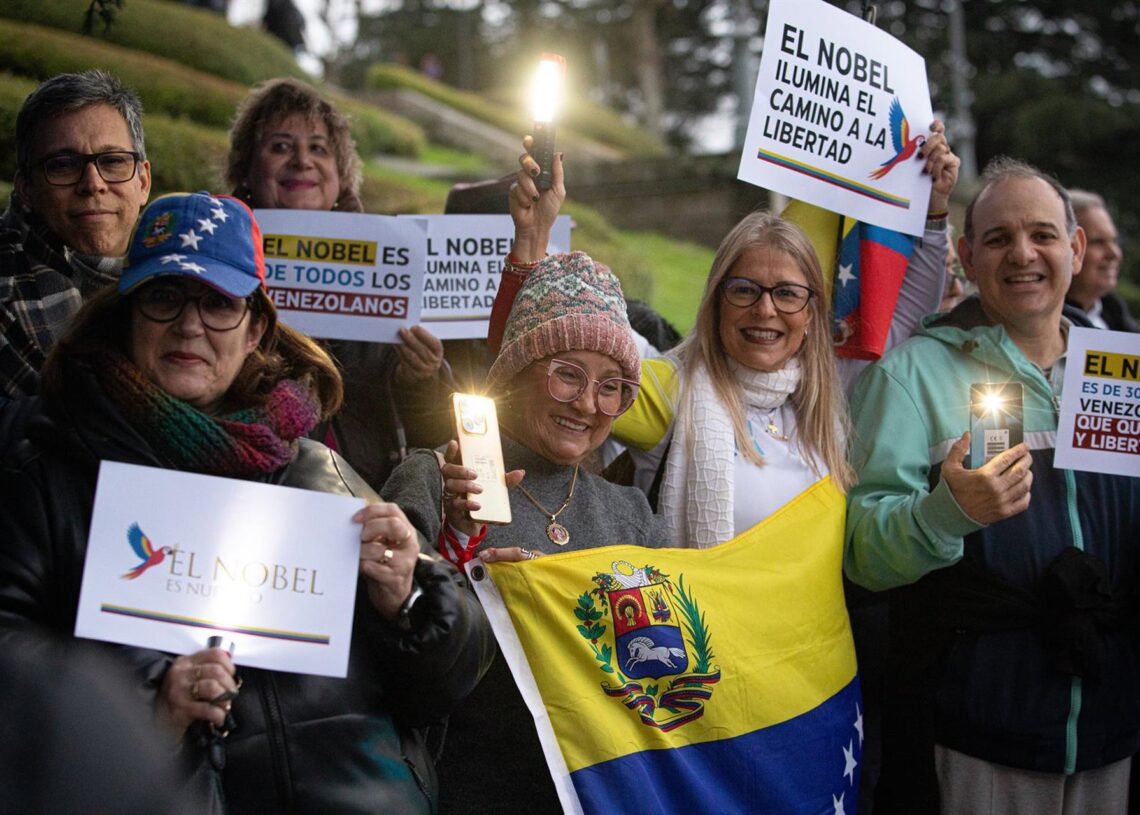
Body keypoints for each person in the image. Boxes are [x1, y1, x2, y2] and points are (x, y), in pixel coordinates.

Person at [0, 192, 494, 813]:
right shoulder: (51, 472)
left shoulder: (316, 469)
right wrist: (149, 706)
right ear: (127, 312)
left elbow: (453, 679)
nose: (189, 325)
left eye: (218, 303)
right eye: (164, 296)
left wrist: (407, 599)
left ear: (255, 327)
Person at [845, 157, 1140, 814]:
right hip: (977, 735)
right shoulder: (911, 376)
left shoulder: (1120, 367)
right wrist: (944, 514)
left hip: (1112, 727)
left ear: (1076, 248)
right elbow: (859, 553)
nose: (1023, 254)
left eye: (1042, 234)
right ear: (967, 257)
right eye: (1000, 238)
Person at [382, 152, 665, 813]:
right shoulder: (436, 476)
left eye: (612, 386)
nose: (588, 403)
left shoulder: (630, 514)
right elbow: (387, 651)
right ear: (516, 369)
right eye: (567, 373)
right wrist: (456, 564)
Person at [226, 77, 452, 489]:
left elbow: (436, 432)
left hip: (368, 498)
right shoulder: (218, 262)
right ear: (246, 169)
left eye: (318, 148)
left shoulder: (391, 270)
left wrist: (420, 379)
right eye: (280, 146)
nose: (302, 161)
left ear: (341, 174)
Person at [0, 69, 151, 399]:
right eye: (63, 165)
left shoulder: (177, 275)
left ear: (143, 182)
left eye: (112, 161)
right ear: (26, 188)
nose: (93, 184)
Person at [1064, 189, 1138, 332]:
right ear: (1072, 248)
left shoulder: (1116, 314)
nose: (1114, 253)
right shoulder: (1041, 327)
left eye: (1114, 241)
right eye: (1098, 242)